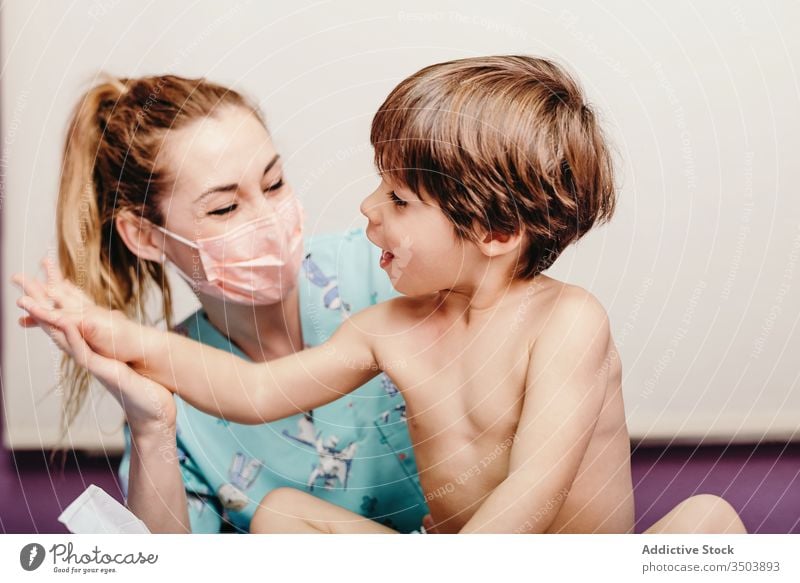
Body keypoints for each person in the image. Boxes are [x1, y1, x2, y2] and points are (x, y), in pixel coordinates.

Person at [17, 56, 747, 534]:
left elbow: (532, 496)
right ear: (145, 234)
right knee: (279, 516)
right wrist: (107, 329)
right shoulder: (392, 322)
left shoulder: (567, 322)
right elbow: (251, 388)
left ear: (493, 229)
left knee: (707, 522)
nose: (366, 213)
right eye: (224, 205)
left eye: (396, 198)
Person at [13, 74, 428, 533]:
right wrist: (153, 431)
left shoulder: (391, 273)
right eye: (225, 209)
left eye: (273, 184)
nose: (270, 218)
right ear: (146, 236)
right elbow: (162, 571)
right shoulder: (173, 389)